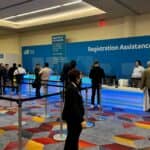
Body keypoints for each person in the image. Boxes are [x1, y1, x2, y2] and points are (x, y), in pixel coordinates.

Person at [62, 69, 86, 150]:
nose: (81, 77)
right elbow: (74, 106)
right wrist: (81, 120)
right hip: (74, 118)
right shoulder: (72, 88)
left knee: (72, 137)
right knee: (72, 137)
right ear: (76, 77)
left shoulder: (74, 86)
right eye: (80, 75)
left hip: (73, 117)